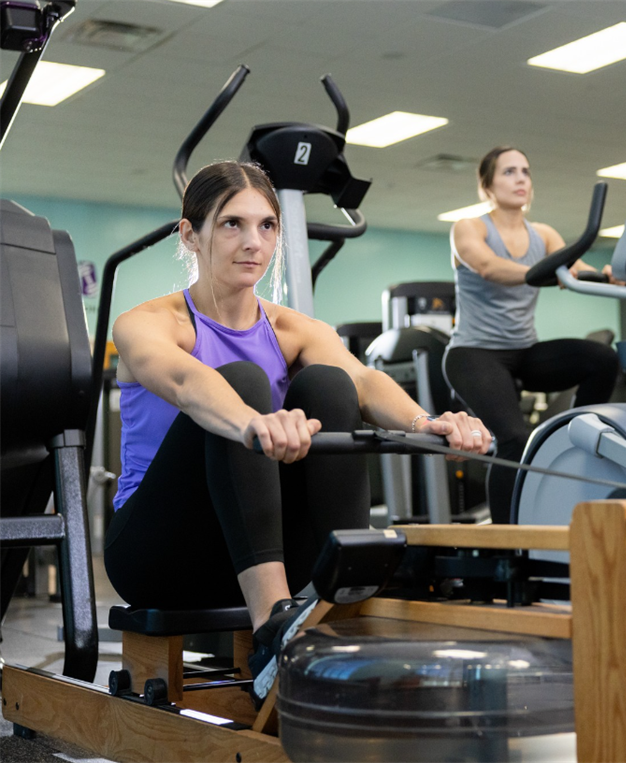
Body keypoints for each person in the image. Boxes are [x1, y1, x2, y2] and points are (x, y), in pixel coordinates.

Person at [105, 161, 490, 707]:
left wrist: (427, 423)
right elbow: (189, 384)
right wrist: (251, 421)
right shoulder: (149, 322)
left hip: (260, 545)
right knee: (239, 381)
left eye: (266, 226)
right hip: (158, 553)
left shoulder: (293, 329)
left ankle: (346, 606)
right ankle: (274, 633)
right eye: (232, 224)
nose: (252, 242)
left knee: (329, 384)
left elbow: (362, 380)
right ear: (192, 235)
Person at [444, 146, 620, 524]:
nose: (521, 178)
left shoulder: (543, 234)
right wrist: (546, 272)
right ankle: (508, 543)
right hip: (474, 353)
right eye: (509, 172)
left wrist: (607, 277)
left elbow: (576, 270)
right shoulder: (469, 228)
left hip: (524, 351)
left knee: (602, 358)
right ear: (487, 185)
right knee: (513, 439)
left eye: (525, 171)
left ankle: (573, 440)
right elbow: (489, 267)